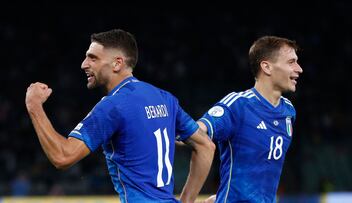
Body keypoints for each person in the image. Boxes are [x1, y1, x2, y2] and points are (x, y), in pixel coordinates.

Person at [25, 29, 215, 203]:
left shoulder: (113, 105)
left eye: (93, 58)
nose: (84, 64)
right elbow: (206, 145)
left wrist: (34, 106)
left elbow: (62, 156)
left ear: (117, 63)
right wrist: (186, 201)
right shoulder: (165, 98)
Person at [197, 36, 303, 203]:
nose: (299, 69)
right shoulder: (238, 105)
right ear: (266, 67)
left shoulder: (288, 111)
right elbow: (196, 132)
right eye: (291, 62)